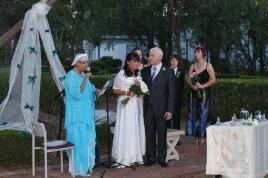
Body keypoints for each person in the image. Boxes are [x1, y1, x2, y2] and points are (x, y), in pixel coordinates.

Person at [64, 53, 100, 176]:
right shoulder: (70, 76)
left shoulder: (83, 75)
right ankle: (78, 169)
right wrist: (86, 80)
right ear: (77, 63)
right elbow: (76, 94)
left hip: (86, 116)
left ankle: (86, 167)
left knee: (87, 142)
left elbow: (88, 91)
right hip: (76, 117)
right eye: (84, 63)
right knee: (78, 143)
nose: (86, 65)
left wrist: (95, 91)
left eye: (87, 63)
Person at [141, 47, 176, 167]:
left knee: (162, 134)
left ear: (159, 57)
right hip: (148, 109)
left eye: (151, 56)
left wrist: (170, 110)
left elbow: (172, 93)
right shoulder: (145, 71)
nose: (149, 58)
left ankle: (162, 158)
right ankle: (150, 158)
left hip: (162, 109)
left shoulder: (168, 71)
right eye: (149, 56)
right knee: (149, 133)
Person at [112, 52, 146, 167]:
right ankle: (125, 155)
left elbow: (141, 89)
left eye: (138, 61)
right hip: (125, 106)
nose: (137, 63)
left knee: (135, 127)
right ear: (128, 62)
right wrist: (127, 92)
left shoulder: (138, 74)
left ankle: (135, 155)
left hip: (136, 105)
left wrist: (141, 91)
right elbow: (114, 90)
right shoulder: (121, 74)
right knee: (126, 127)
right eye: (134, 61)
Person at [186, 47, 216, 145]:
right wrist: (192, 85)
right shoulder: (192, 66)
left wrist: (203, 86)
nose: (196, 54)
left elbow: (213, 79)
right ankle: (196, 136)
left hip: (204, 94)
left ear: (203, 53)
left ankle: (203, 136)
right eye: (195, 52)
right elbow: (188, 80)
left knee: (204, 115)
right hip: (194, 94)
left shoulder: (208, 65)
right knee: (194, 114)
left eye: (198, 52)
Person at [168, 55, 185, 133]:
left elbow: (182, 86)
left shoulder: (181, 72)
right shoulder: (166, 71)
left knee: (177, 119)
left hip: (177, 99)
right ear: (170, 61)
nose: (174, 62)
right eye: (172, 60)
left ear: (178, 62)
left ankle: (176, 139)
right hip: (167, 100)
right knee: (167, 119)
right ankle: (166, 137)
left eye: (175, 60)